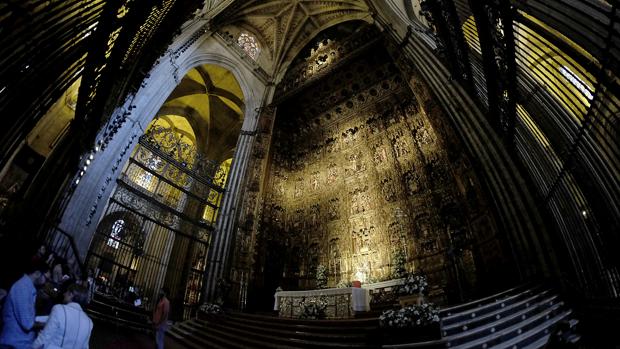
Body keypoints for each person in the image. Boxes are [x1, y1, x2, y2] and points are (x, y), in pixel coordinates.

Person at [0, 261, 50, 349]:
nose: (45, 282)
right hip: (14, 344)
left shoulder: (28, 287)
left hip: (19, 343)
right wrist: (48, 323)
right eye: (46, 278)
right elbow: (27, 323)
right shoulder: (23, 288)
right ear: (37, 273)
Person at [33, 283, 93, 349]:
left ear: (71, 294)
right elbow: (85, 347)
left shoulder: (59, 309)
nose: (64, 294)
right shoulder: (89, 322)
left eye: (66, 292)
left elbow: (44, 338)